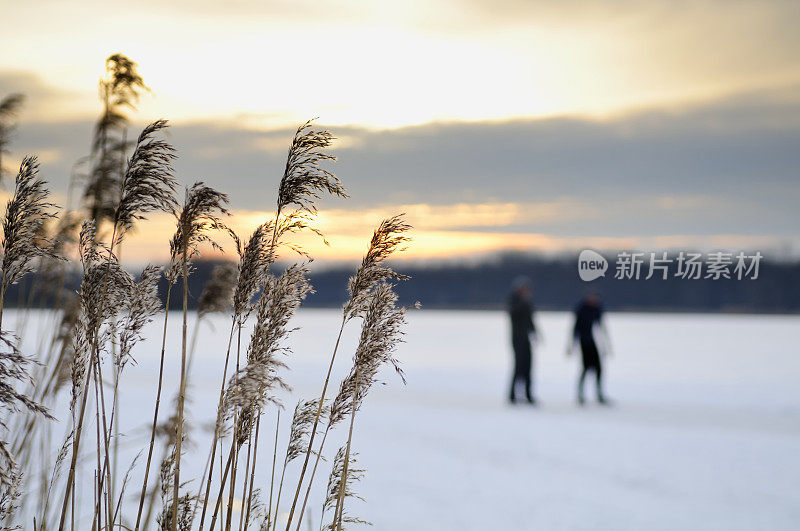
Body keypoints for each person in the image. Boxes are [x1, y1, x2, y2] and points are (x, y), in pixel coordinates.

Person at [567, 292, 611, 405]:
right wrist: (572, 344)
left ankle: (599, 393)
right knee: (586, 368)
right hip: (584, 342)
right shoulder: (582, 309)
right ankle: (580, 395)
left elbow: (601, 327)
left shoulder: (595, 309)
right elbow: (575, 328)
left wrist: (605, 345)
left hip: (591, 341)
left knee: (598, 369)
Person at [508, 276, 538, 404]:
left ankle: (528, 394)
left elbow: (530, 320)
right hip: (517, 338)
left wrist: (534, 333)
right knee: (518, 367)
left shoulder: (527, 302)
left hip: (526, 338)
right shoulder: (514, 301)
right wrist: (523, 302)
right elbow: (513, 314)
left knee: (528, 367)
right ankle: (512, 395)